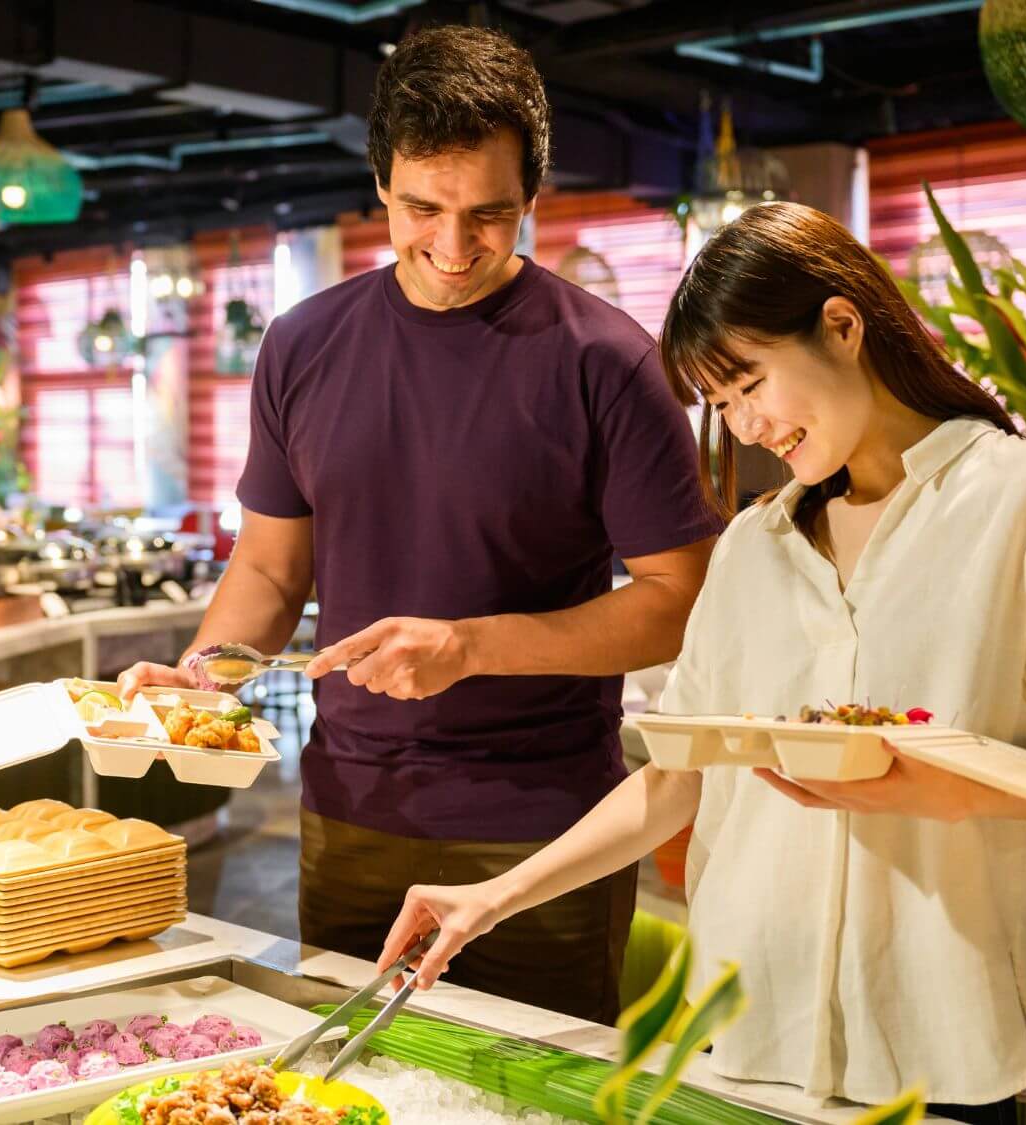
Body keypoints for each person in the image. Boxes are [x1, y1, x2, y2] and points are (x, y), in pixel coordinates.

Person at [378, 202, 1026, 1125]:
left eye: (750, 383)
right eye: (722, 403)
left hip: (935, 1035)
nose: (745, 428)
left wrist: (945, 789)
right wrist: (494, 898)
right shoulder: (753, 546)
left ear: (842, 324)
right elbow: (679, 777)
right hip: (743, 1027)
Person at [121, 25, 721, 1025]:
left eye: (488, 215)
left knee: (522, 1099)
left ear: (532, 196)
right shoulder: (302, 346)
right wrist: (204, 678)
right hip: (348, 816)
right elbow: (271, 571)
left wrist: (470, 647)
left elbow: (682, 602)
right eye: (420, 210)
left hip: (539, 834)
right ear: (379, 188)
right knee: (345, 1087)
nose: (451, 247)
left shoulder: (605, 362)